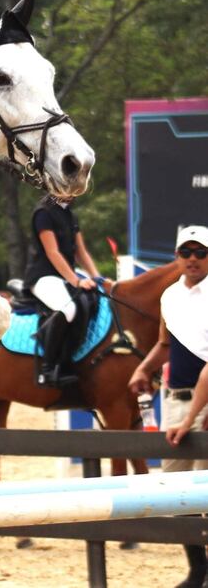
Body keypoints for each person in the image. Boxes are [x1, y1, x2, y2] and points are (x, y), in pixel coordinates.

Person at [129, 224, 208, 588]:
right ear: (176, 256)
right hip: (175, 398)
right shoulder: (169, 296)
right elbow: (164, 344)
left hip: (203, 404)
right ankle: (196, 571)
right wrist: (142, 370)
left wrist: (193, 416)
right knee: (178, 493)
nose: (192, 259)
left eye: (200, 252)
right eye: (186, 252)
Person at [23, 194, 102, 387]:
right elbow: (53, 252)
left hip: (62, 278)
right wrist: (77, 281)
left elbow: (81, 252)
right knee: (68, 309)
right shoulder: (43, 212)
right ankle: (47, 369)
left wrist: (98, 278)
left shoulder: (70, 215)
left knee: (90, 301)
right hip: (42, 276)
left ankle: (69, 361)